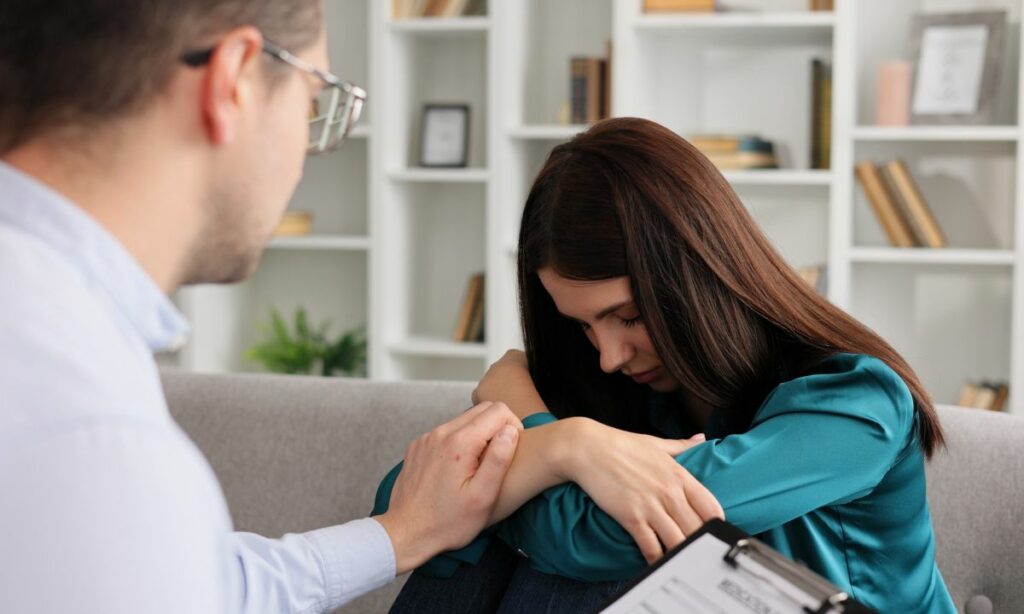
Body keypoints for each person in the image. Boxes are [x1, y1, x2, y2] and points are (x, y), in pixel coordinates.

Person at [0, 1, 528, 612]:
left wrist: (403, 532)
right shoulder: (90, 436)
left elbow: (203, 581)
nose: (306, 155)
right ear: (235, 80)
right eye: (312, 103)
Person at [374, 117, 958, 613]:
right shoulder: (635, 393)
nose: (607, 356)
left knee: (580, 553)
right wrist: (565, 448)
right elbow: (403, 506)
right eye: (582, 326)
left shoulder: (857, 403)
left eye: (626, 317)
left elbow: (601, 541)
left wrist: (533, 422)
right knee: (488, 546)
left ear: (698, 278)